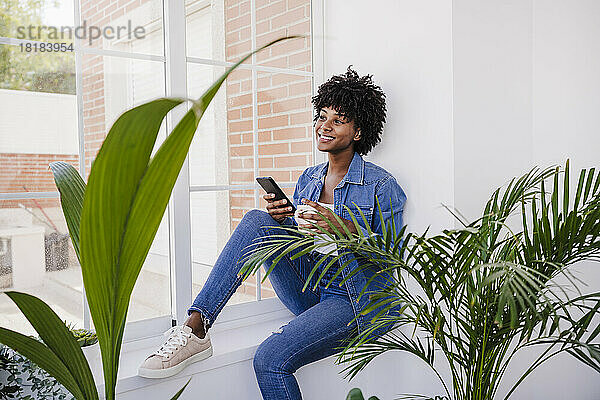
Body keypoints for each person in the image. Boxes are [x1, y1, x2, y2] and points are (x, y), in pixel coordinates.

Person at [138, 66, 407, 400]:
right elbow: (304, 240)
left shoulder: (382, 185)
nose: (324, 126)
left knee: (270, 359)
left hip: (358, 299)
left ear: (358, 132)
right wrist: (285, 220)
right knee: (256, 220)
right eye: (322, 116)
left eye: (337, 120)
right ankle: (197, 327)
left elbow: (393, 258)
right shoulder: (309, 177)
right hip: (313, 287)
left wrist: (346, 231)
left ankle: (199, 328)